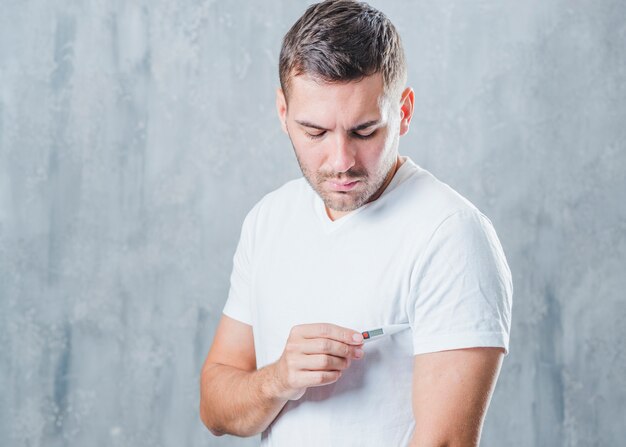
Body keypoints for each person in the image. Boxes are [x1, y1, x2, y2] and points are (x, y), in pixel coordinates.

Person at [199, 1, 513, 445]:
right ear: (282, 112)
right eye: (315, 132)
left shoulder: (451, 235)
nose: (341, 161)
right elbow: (214, 408)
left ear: (403, 110)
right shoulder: (268, 219)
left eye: (364, 131)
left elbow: (444, 442)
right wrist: (278, 379)